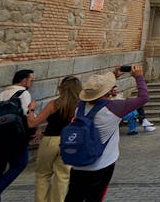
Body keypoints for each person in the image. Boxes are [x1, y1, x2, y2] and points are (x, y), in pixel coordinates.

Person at [64, 65, 149, 201]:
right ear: (108, 92)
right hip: (102, 164)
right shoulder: (114, 108)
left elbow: (95, 91)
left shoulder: (79, 106)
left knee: (74, 197)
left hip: (78, 163)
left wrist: (113, 75)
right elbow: (144, 97)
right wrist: (138, 76)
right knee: (95, 198)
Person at [0, 69, 38, 202]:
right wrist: (33, 114)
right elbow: (27, 116)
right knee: (20, 164)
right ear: (24, 81)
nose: (32, 82)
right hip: (16, 139)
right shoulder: (24, 94)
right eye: (31, 80)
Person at [34, 76, 82, 202]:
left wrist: (30, 110)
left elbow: (33, 123)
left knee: (43, 174)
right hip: (70, 142)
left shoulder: (54, 104)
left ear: (62, 88)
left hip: (50, 140)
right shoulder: (80, 106)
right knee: (63, 177)